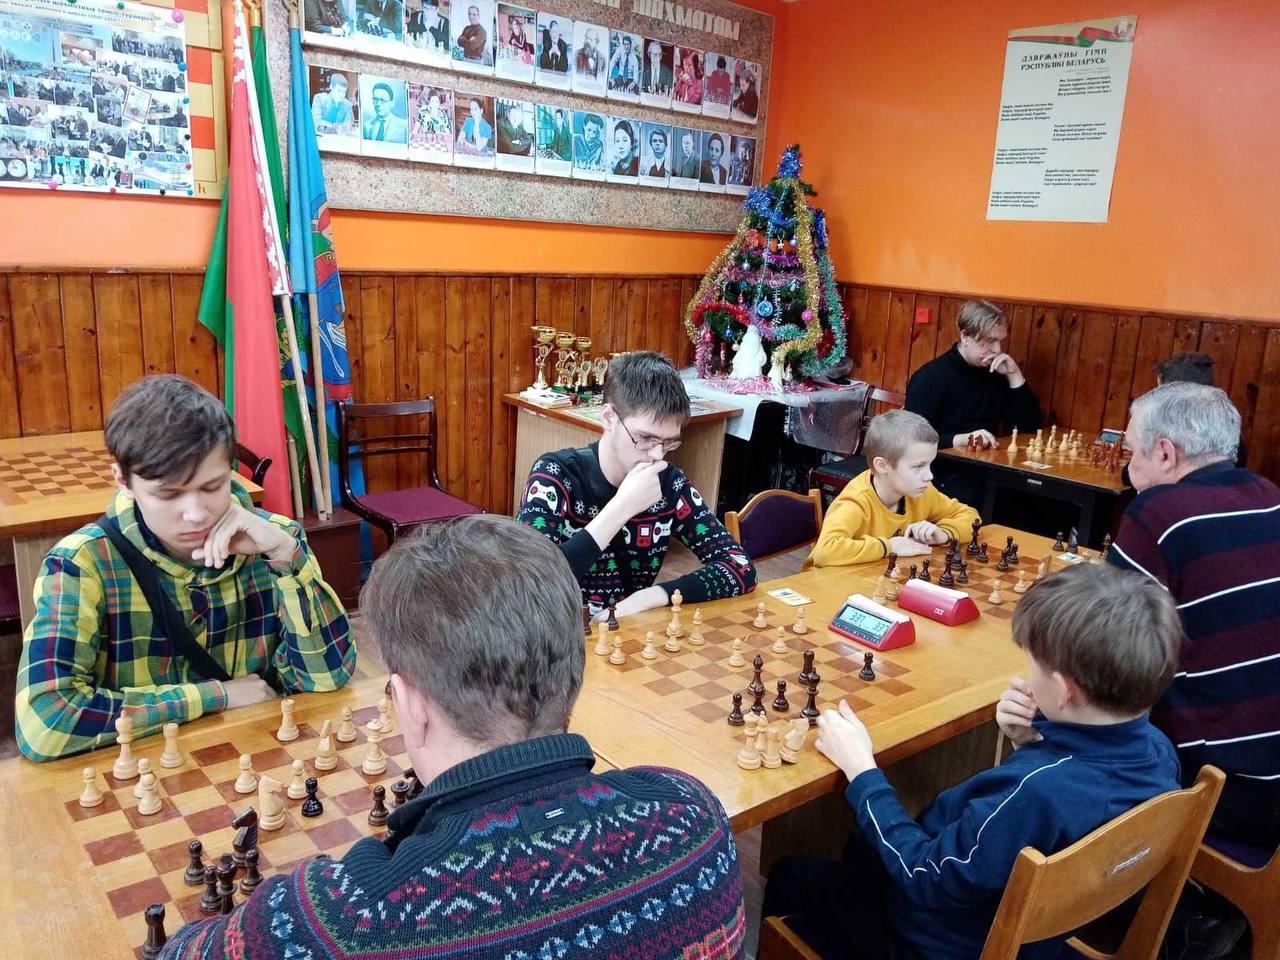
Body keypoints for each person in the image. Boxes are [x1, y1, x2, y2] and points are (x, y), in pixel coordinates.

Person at [158, 516, 747, 960]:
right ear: (576, 670)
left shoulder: (343, 922)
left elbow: (180, 951)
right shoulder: (694, 816)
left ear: (409, 705)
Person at [764, 562, 1182, 960]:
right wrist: (1030, 741)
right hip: (1034, 937)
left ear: (1061, 690)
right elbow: (1076, 797)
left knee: (793, 874)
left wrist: (862, 771)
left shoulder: (1033, 793)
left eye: (1032, 664)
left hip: (933, 940)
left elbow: (924, 876)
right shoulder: (1159, 752)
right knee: (861, 848)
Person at [14, 376, 355, 762]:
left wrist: (285, 557)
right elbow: (45, 725)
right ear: (123, 481)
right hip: (138, 775)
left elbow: (327, 677)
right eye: (168, 494)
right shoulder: (81, 563)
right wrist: (216, 696)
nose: (195, 514)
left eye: (212, 487)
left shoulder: (275, 539)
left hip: (260, 760)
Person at [1108, 382, 1280, 850]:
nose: (1128, 467)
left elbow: (1104, 645)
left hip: (1224, 788)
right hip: (1267, 775)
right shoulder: (1268, 493)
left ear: (1165, 452)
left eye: (1131, 450)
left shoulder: (1160, 512)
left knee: (1064, 733)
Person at [518, 351, 756, 619]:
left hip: (623, 632)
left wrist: (652, 596)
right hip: (556, 634)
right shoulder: (554, 476)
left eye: (669, 442)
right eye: (644, 438)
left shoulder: (669, 483)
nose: (657, 455)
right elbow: (530, 586)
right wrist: (622, 507)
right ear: (609, 417)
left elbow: (740, 566)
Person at [904, 299, 1041, 503]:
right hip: (940, 474)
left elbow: (1028, 427)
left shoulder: (994, 374)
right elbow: (911, 441)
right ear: (965, 336)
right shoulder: (930, 378)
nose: (997, 349)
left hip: (986, 469)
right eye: (990, 341)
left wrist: (1014, 375)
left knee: (1042, 501)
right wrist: (961, 439)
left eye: (1000, 341)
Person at [808, 410, 979, 567]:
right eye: (918, 466)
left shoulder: (922, 492)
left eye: (929, 464)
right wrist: (888, 546)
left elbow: (971, 516)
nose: (929, 475)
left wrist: (944, 533)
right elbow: (825, 551)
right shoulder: (856, 501)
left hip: (878, 579)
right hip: (829, 584)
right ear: (882, 466)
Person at [1120, 352, 1247, 487]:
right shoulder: (1229, 433)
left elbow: (1132, 476)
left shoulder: (1169, 431)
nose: (1156, 397)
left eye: (1160, 391)